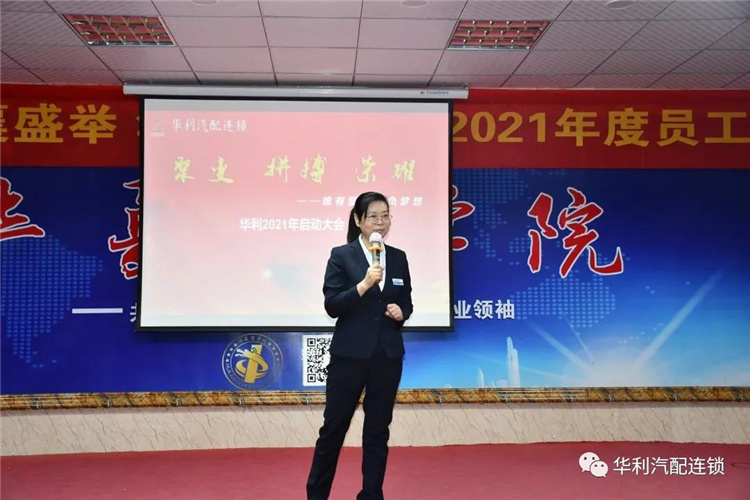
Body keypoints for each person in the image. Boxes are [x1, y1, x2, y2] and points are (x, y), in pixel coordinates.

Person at [306, 191, 413, 500]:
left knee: (378, 430)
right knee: (333, 429)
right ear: (358, 219)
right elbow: (332, 305)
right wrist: (364, 285)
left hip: (387, 356)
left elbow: (406, 300)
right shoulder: (342, 255)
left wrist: (401, 312)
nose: (380, 222)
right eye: (373, 216)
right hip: (349, 356)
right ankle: (317, 495)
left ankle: (371, 494)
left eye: (385, 215)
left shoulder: (398, 257)